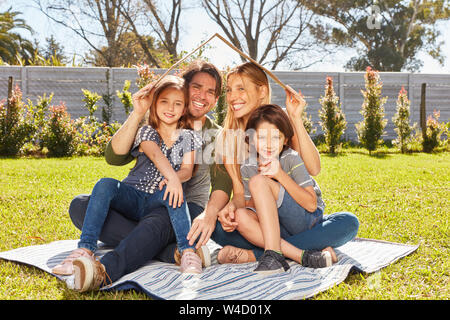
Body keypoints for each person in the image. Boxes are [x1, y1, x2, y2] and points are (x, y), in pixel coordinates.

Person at [64, 60, 233, 291]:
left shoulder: (217, 135)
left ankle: (104, 272)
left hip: (181, 207)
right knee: (80, 205)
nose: (202, 96)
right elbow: (114, 158)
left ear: (216, 100)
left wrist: (209, 214)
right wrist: (138, 113)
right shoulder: (159, 120)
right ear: (183, 87)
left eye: (210, 92)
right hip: (141, 201)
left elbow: (223, 182)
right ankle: (167, 251)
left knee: (159, 219)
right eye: (196, 87)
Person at [207, 62, 359, 269]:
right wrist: (231, 207)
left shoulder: (278, 122)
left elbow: (314, 169)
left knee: (347, 223)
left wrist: (295, 118)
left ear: (262, 91)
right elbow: (242, 195)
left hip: (296, 217)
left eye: (241, 88)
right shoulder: (229, 139)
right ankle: (303, 252)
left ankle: (257, 254)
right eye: (229, 90)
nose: (233, 96)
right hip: (263, 222)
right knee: (219, 228)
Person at [237, 104, 333, 274]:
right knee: (240, 216)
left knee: (258, 182)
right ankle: (301, 255)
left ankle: (272, 253)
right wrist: (238, 217)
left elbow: (311, 205)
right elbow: (250, 207)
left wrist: (279, 175)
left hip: (306, 220)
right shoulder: (248, 166)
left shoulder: (291, 158)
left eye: (276, 138)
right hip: (277, 227)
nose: (268, 144)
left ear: (285, 140)